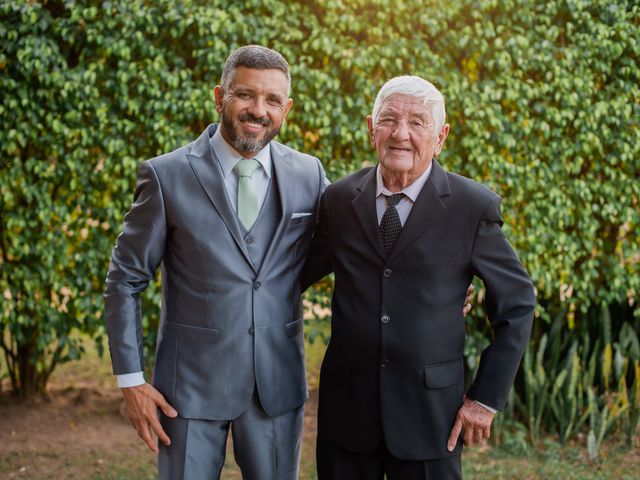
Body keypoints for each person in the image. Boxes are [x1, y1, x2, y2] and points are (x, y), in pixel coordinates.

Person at [104, 45, 327, 480]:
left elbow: (355, 247)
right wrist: (130, 379)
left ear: (288, 108)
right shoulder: (165, 176)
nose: (258, 110)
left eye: (273, 100)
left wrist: (441, 287)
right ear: (219, 96)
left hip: (276, 386)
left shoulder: (309, 173)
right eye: (245, 95)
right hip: (188, 390)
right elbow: (125, 279)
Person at [301, 75, 536, 479]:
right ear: (370, 128)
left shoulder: (471, 206)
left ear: (440, 136)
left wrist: (485, 399)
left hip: (432, 418)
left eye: (418, 123)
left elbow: (517, 302)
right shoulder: (338, 200)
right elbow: (294, 274)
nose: (401, 134)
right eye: (389, 120)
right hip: (348, 414)